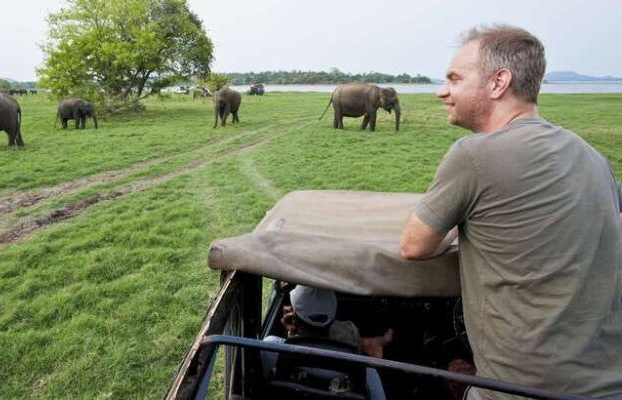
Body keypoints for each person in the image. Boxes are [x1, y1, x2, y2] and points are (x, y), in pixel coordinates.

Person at [399, 24, 622, 399]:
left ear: (498, 82)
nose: (442, 91)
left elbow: (414, 246)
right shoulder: (592, 156)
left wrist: (459, 224)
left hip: (518, 389)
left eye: (455, 78)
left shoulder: (473, 155)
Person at [261, 285, 393, 399]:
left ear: (293, 320)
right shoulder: (366, 371)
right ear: (332, 322)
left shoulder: (271, 349)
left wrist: (290, 334)